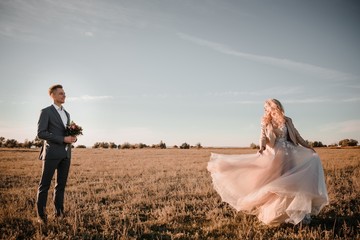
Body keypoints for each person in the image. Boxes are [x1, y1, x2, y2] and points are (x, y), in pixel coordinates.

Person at [207, 99, 329, 225]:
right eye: (264, 108)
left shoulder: (288, 120)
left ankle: (293, 213)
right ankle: (277, 214)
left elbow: (297, 136)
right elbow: (263, 137)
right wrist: (261, 147)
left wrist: (308, 147)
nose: (265, 110)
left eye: (267, 107)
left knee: (291, 184)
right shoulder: (266, 121)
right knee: (278, 184)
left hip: (290, 154)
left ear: (274, 107)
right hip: (276, 155)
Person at [36, 84, 77, 224]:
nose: (64, 95)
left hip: (66, 154)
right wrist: (62, 139)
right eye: (61, 93)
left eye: (64, 93)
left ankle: (59, 213)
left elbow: (66, 133)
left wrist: (73, 137)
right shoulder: (46, 111)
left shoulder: (67, 114)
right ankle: (41, 216)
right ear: (52, 95)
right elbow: (41, 133)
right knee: (44, 185)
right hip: (52, 153)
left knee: (61, 186)